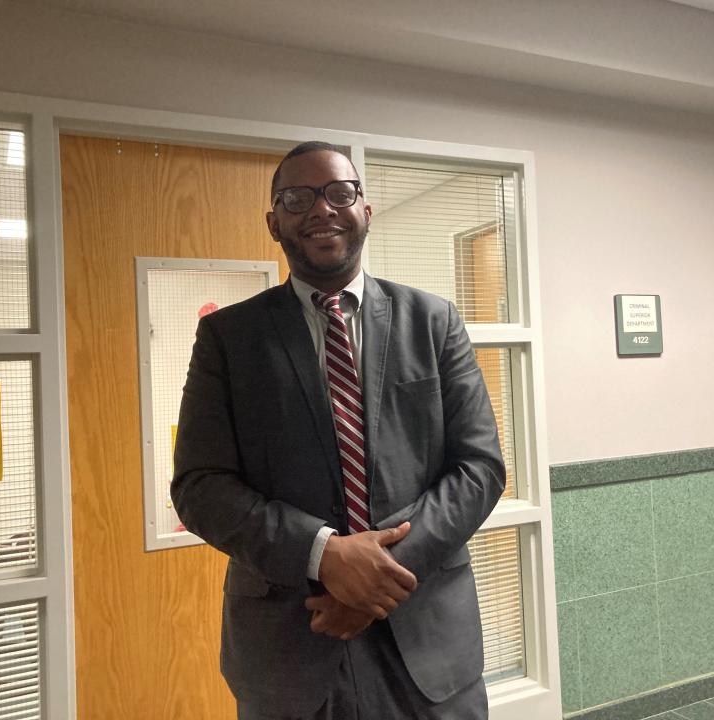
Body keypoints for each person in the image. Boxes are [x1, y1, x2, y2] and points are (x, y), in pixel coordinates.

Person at [172, 141, 505, 720]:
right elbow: (200, 486)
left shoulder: (434, 322)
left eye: (339, 192)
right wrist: (325, 557)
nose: (320, 209)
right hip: (290, 646)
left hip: (426, 641)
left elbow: (480, 468)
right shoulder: (230, 339)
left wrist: (377, 581)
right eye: (296, 198)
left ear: (365, 211)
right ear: (274, 224)